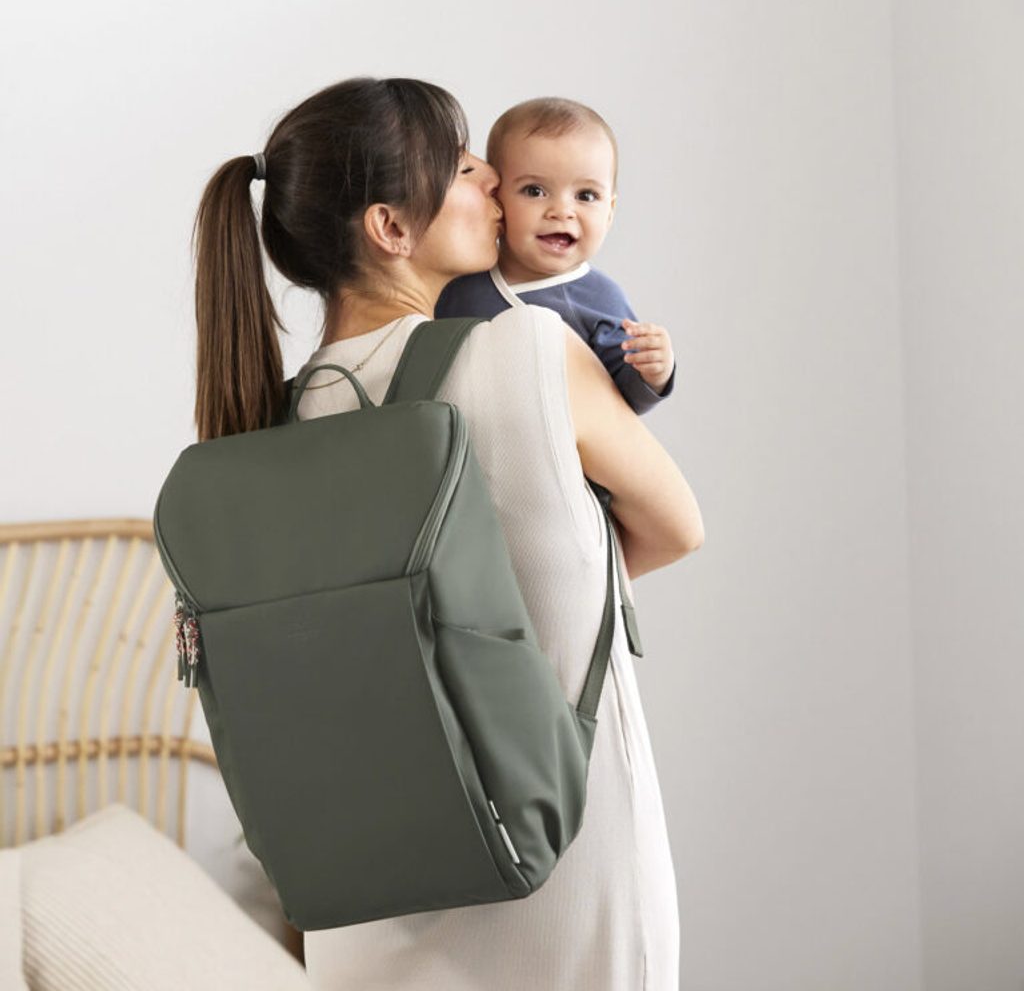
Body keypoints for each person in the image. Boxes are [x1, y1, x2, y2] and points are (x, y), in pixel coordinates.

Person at [190, 75, 704, 991]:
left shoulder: (267, 423)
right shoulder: (527, 349)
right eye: (467, 169)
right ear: (392, 227)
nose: (496, 184)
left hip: (363, 900)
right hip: (560, 862)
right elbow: (676, 528)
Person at [435, 96, 676, 416]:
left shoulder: (599, 298)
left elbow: (621, 403)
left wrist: (653, 373)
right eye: (534, 191)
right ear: (497, 198)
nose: (562, 211)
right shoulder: (460, 280)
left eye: (586, 195)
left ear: (610, 212)